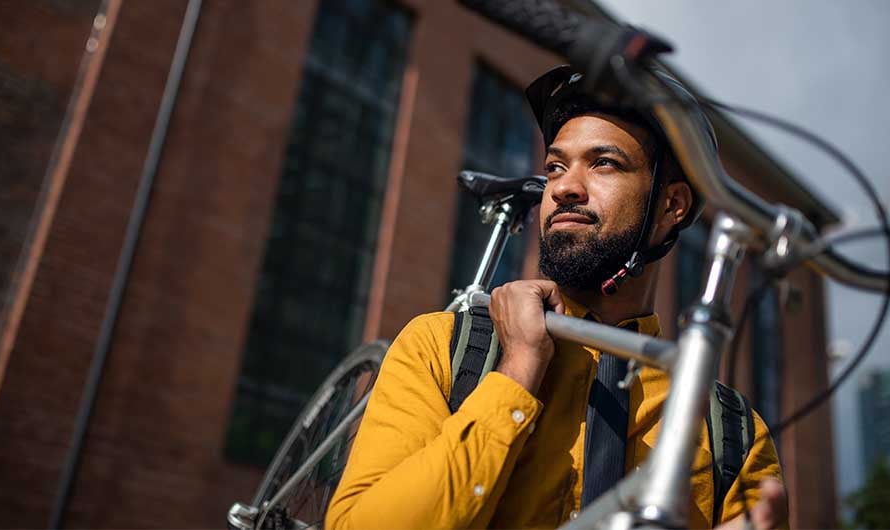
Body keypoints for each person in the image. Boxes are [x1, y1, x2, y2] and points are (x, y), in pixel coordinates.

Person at [325, 66, 787, 530]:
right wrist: (517, 372)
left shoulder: (733, 434)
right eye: (555, 167)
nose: (563, 187)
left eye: (604, 163)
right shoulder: (442, 347)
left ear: (672, 206)